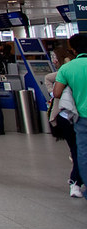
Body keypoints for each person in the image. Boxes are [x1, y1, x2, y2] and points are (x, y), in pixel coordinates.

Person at [51, 33, 87, 200]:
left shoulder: (67, 68)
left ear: (72, 49)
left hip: (80, 118)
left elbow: (57, 93)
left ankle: (81, 185)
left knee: (82, 153)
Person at [45, 60, 81, 197]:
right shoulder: (67, 70)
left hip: (67, 115)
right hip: (73, 115)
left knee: (77, 149)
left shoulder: (67, 69)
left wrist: (52, 93)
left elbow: (56, 91)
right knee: (78, 150)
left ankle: (76, 180)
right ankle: (76, 180)